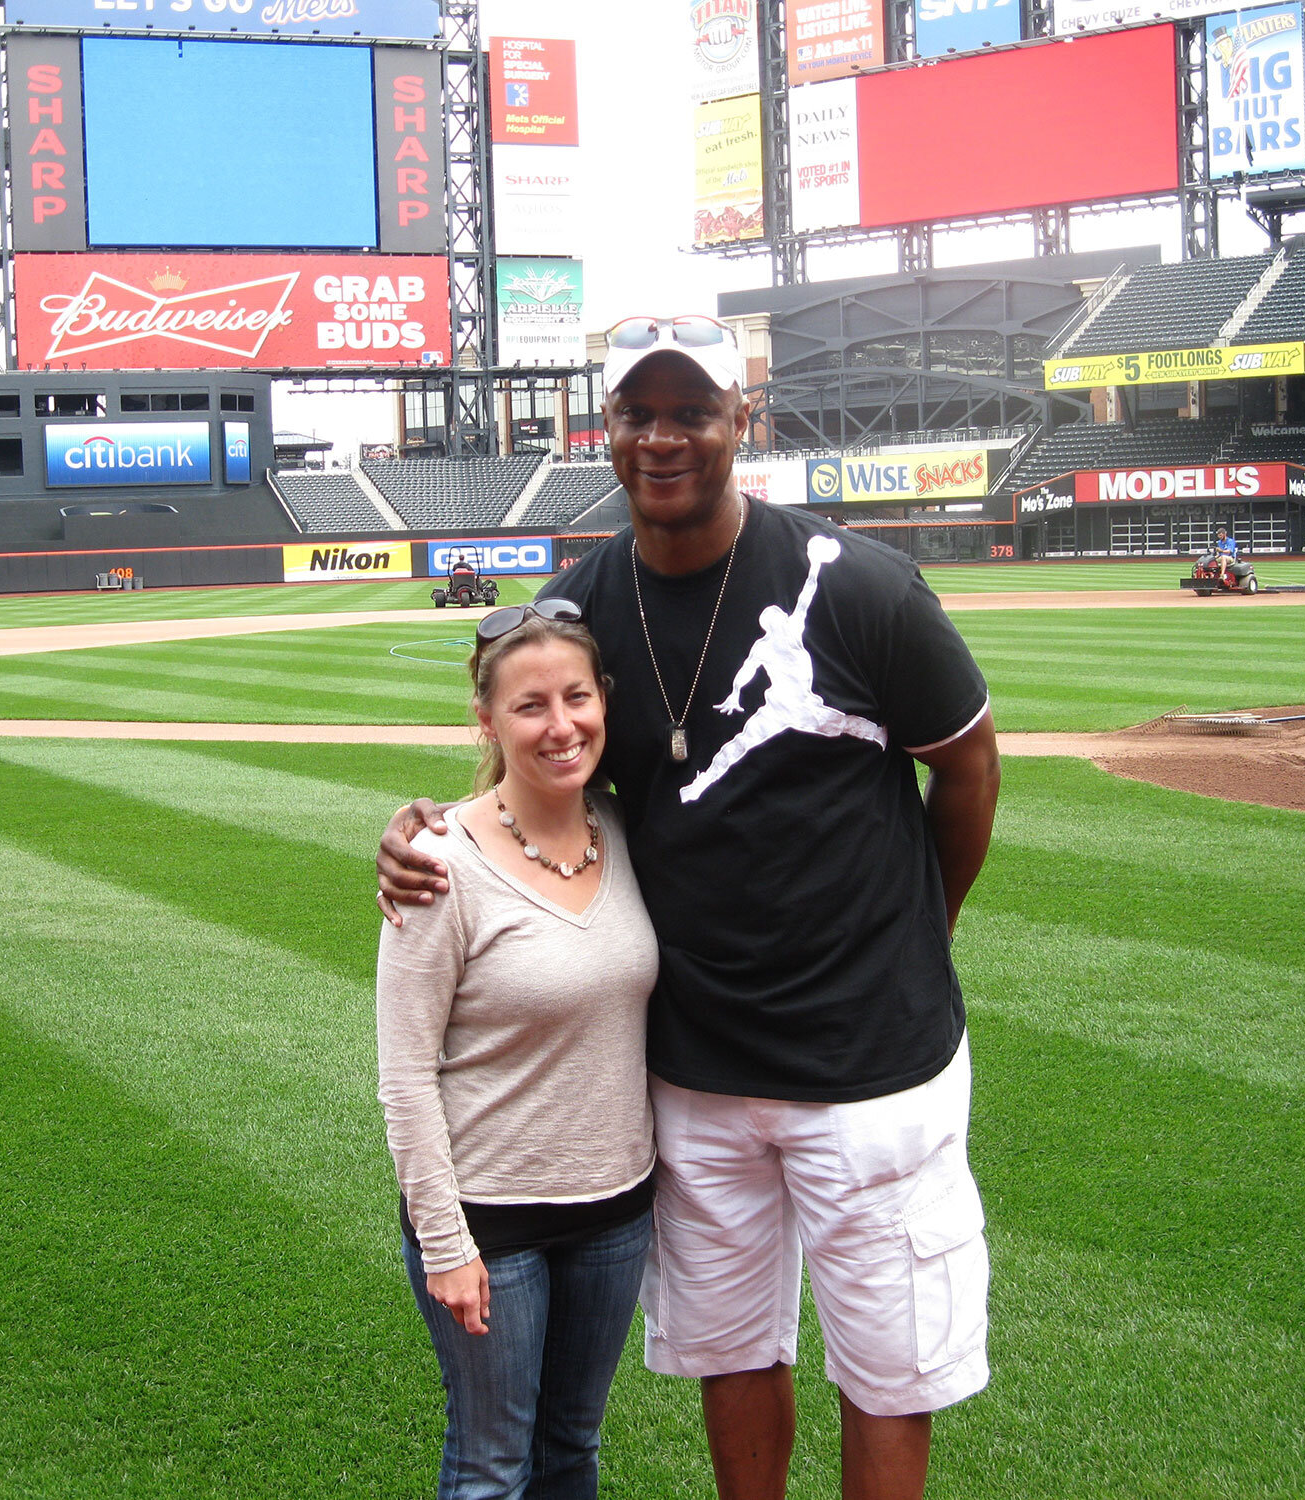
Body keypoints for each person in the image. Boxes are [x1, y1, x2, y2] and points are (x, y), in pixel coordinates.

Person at [379, 314, 1001, 1500]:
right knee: (731, 1349)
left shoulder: (861, 588)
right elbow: (538, 770)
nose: (661, 437)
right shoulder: (579, 607)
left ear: (738, 423)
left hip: (871, 1067)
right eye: (636, 414)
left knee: (885, 1371)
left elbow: (966, 766)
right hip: (693, 1074)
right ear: (605, 430)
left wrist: (927, 932)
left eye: (690, 412)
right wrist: (423, 829)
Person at [376, 599, 659, 1500]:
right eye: (530, 705)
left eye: (576, 698)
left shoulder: (629, 829)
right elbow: (405, 1075)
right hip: (489, 1218)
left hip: (614, 1208)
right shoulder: (437, 862)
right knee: (491, 1466)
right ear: (488, 720)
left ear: (603, 702)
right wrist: (444, 1242)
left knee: (572, 1447)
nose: (560, 725)